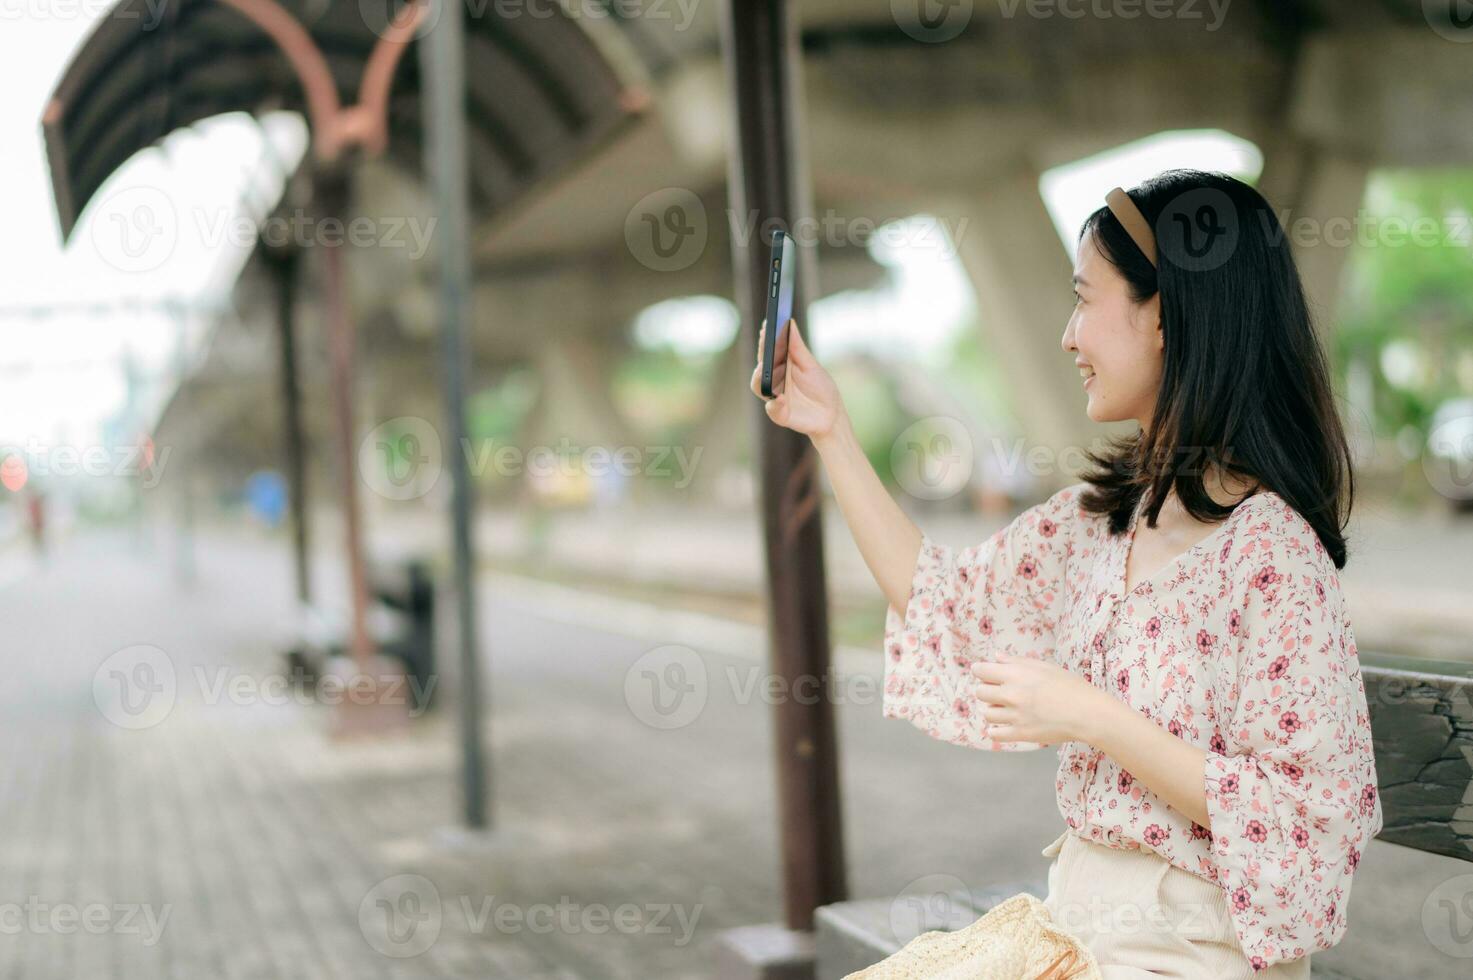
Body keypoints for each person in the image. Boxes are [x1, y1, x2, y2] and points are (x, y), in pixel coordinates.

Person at [750, 170, 1382, 977]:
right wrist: (831, 428)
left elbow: (1305, 819)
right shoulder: (1099, 518)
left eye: (1085, 299)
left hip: (1186, 956)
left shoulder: (1272, 555)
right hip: (1074, 930)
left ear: (1164, 315)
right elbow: (945, 601)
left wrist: (1093, 715)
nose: (1067, 335)